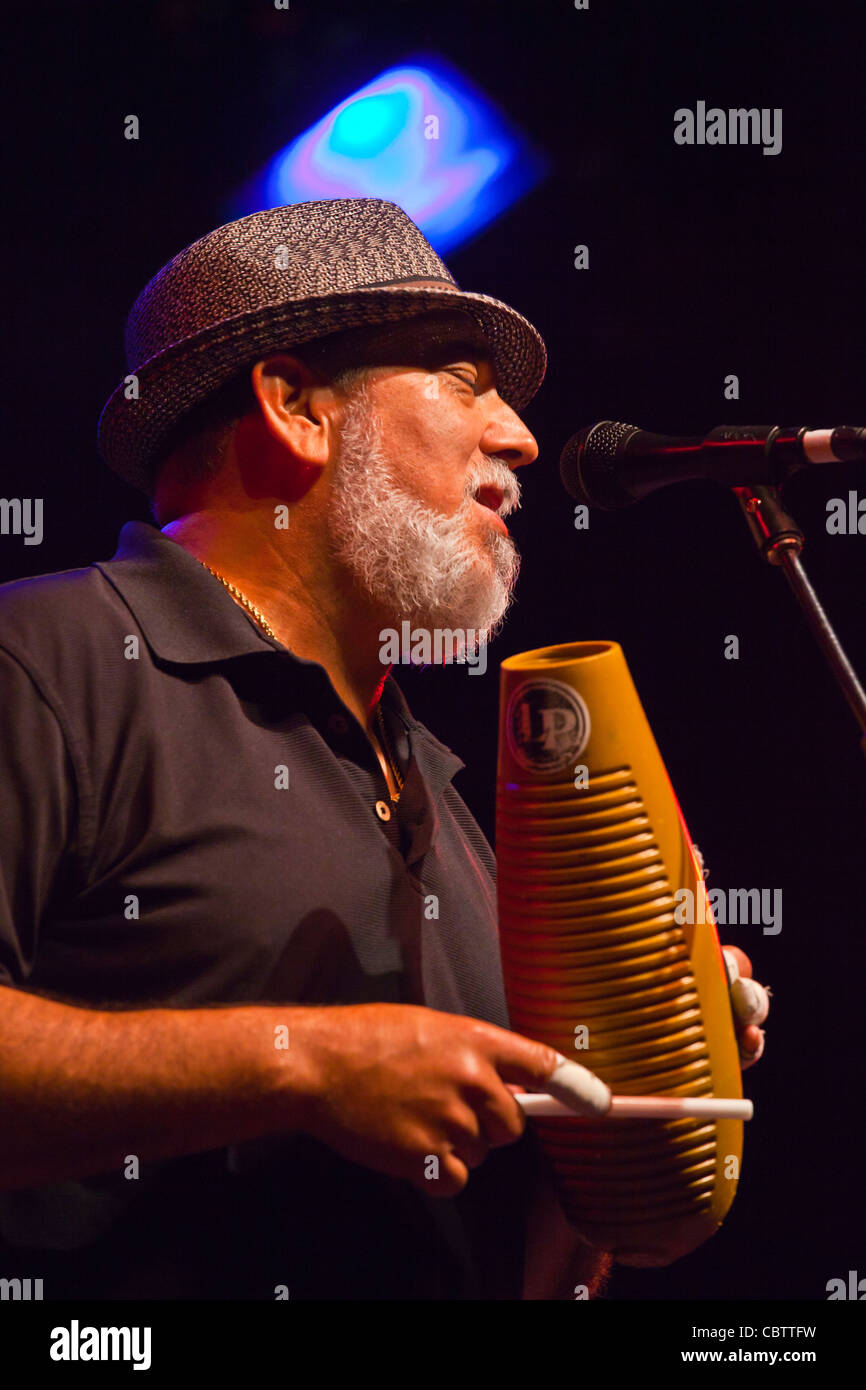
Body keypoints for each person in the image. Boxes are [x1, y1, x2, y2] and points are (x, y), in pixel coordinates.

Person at [0, 198, 767, 1300]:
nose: (519, 437)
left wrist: (642, 1086)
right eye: (465, 381)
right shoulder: (48, 660)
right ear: (296, 406)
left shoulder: (444, 791)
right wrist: (301, 1064)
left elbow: (539, 1266)